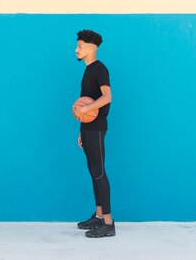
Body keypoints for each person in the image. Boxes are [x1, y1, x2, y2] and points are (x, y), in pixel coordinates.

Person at [73, 29, 116, 238]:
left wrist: (86, 110)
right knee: (93, 171)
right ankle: (98, 216)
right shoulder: (88, 70)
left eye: (80, 46)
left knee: (99, 172)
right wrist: (82, 129)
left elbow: (107, 97)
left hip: (97, 127)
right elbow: (88, 101)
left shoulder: (99, 68)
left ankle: (108, 223)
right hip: (88, 128)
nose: (76, 49)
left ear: (91, 48)